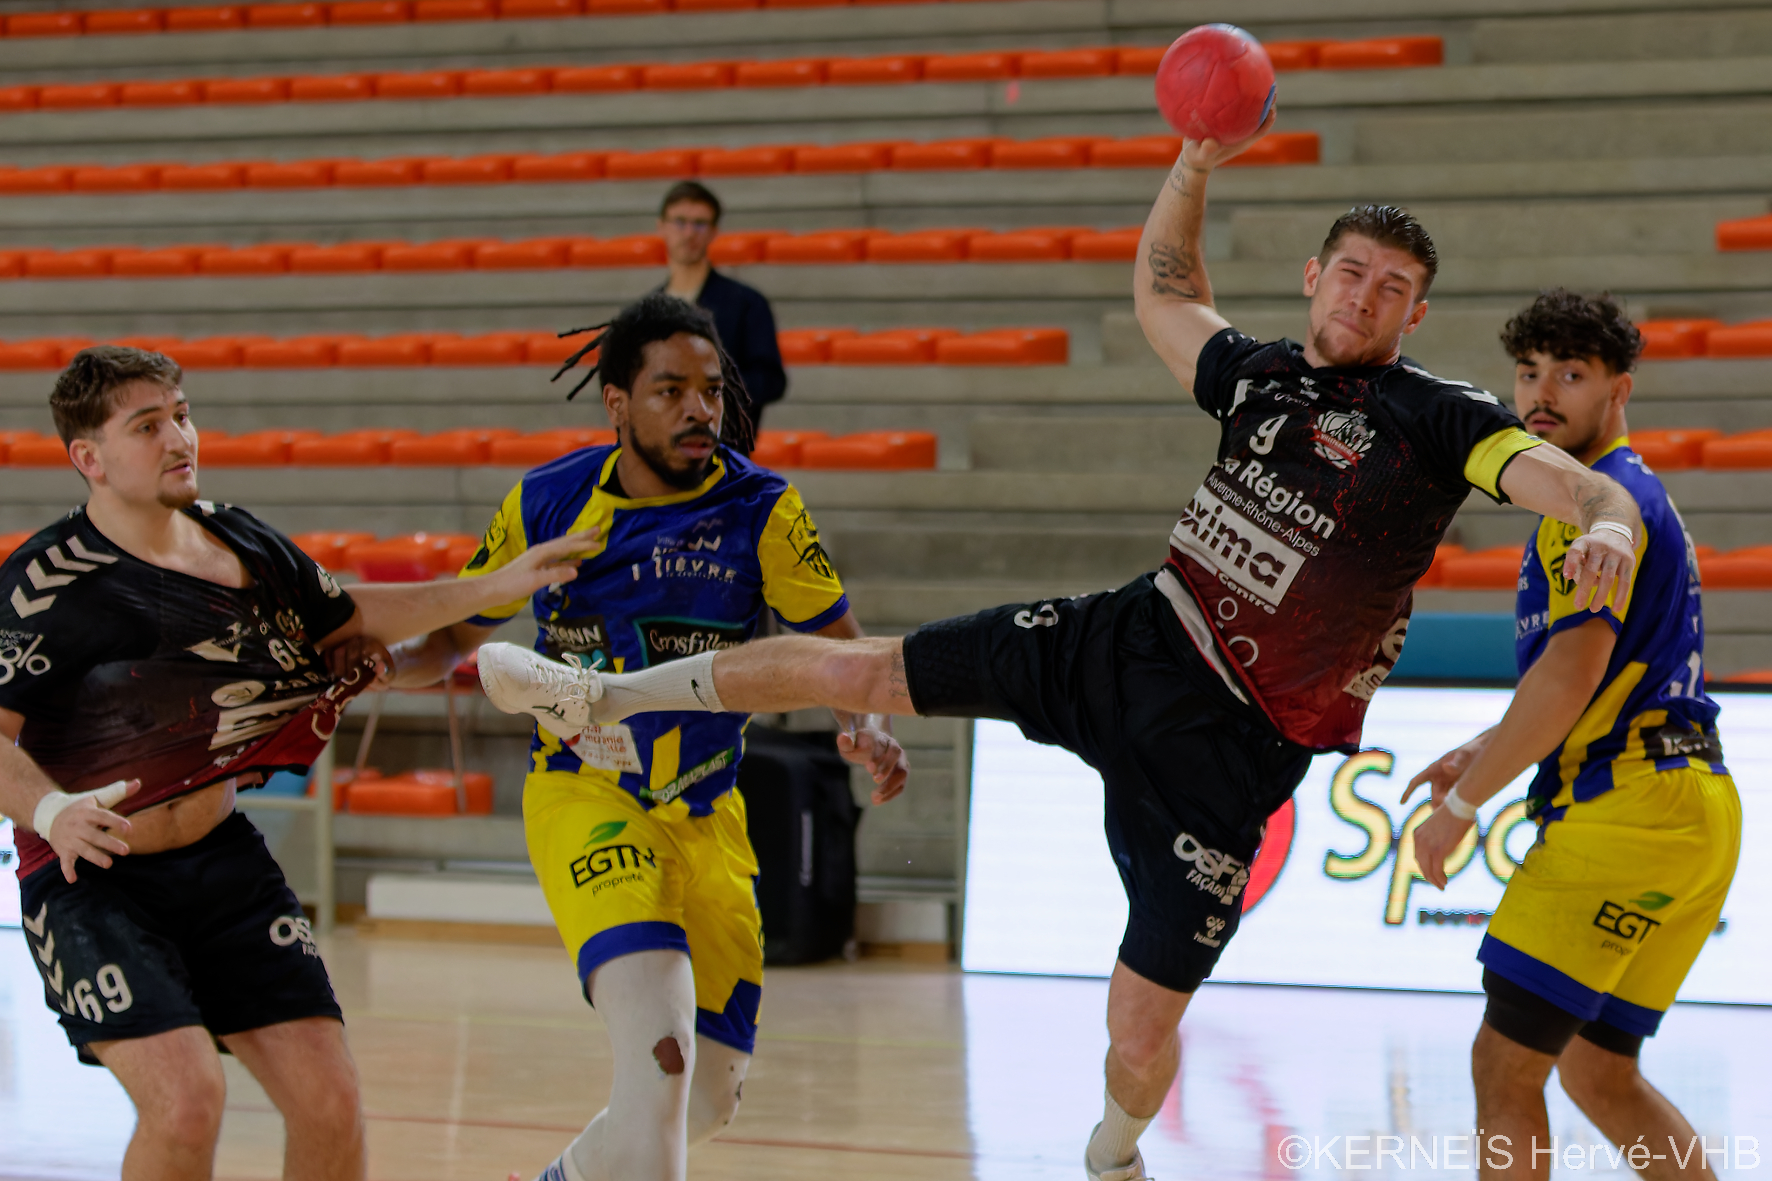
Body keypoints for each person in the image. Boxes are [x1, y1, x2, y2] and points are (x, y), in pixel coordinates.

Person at [475, 118, 1646, 1181]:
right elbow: (1165, 292)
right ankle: (598, 693)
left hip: (1230, 753)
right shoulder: (1257, 376)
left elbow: (1565, 480)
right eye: (1350, 271)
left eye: (1391, 287)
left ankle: (1113, 1149)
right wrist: (1191, 161)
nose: (1365, 295)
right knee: (864, 665)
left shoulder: (1440, 417)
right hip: (1126, 638)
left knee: (1137, 1033)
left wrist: (1599, 517)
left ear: (1412, 315)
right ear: (1313, 276)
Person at [0, 345, 593, 1181]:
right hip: (94, 881)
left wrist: (492, 587)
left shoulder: (238, 536)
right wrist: (50, 809)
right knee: (187, 1102)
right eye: (148, 425)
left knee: (330, 1104)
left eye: (182, 415)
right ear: (88, 458)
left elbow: (351, 618)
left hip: (223, 862)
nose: (179, 438)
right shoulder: (46, 582)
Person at [387, 293, 907, 1181]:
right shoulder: (549, 501)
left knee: (706, 1100)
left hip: (709, 816)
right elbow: (447, 643)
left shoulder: (763, 509)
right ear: (617, 403)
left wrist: (869, 727)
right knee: (662, 1060)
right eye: (671, 391)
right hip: (588, 799)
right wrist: (378, 664)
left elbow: (844, 655)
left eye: (712, 390)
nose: (700, 409)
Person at [1406, 291, 1737, 1180]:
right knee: (1598, 1068)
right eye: (1529, 372)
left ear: (1618, 390)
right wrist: (1482, 748)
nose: (1542, 393)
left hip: (1625, 809)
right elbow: (1603, 675)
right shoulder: (1637, 496)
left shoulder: (1593, 511)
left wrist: (1464, 806)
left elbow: (1571, 676)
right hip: (1691, 806)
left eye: (1572, 374)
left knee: (1504, 1065)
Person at [656, 180, 787, 432]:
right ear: (661, 227)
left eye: (700, 223)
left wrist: (710, 390)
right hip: (660, 446)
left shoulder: (746, 303)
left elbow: (770, 381)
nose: (689, 233)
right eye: (679, 222)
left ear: (713, 231)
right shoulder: (646, 311)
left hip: (722, 444)